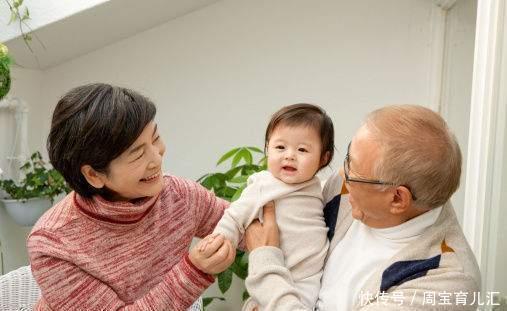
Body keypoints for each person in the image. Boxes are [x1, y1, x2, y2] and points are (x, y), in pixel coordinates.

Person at [244, 105, 481, 310]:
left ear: (397, 199)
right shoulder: (344, 193)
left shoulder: (445, 282)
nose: (341, 174)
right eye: (348, 158)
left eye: (353, 171)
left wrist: (264, 262)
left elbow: (267, 252)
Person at [26, 83, 236, 310]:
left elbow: (245, 222)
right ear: (93, 175)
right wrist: (194, 271)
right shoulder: (52, 244)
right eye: (137, 154)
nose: (156, 159)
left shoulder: (178, 195)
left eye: (155, 138)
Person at [207, 104, 334, 309]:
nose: (289, 155)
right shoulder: (263, 185)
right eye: (280, 147)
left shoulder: (320, 188)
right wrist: (220, 237)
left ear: (323, 158)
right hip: (280, 269)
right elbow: (234, 216)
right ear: (267, 148)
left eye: (302, 149)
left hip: (310, 279)